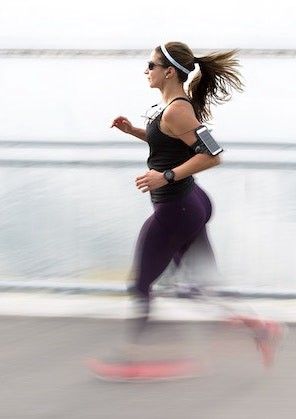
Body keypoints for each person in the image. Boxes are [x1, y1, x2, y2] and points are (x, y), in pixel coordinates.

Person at [88, 42, 284, 381]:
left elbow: (213, 155)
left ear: (167, 71)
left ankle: (130, 360)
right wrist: (134, 131)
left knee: (140, 285)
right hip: (190, 204)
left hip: (176, 208)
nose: (146, 70)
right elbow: (170, 142)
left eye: (150, 64)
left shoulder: (177, 109)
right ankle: (261, 328)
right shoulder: (171, 108)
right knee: (202, 285)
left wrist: (165, 177)